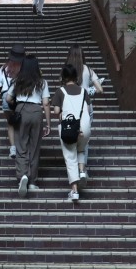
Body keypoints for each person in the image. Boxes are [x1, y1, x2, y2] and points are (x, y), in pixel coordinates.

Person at [6, 56, 50, 197]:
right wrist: (48, 123)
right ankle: (32, 181)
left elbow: (8, 98)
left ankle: (23, 176)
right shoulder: (42, 82)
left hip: (21, 111)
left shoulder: (18, 81)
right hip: (37, 112)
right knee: (35, 146)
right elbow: (46, 103)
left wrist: (15, 104)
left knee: (21, 145)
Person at [51, 64, 92, 202]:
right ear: (76, 76)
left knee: (70, 157)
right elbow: (87, 108)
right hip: (84, 127)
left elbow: (56, 111)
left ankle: (74, 191)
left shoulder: (60, 91)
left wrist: (62, 111)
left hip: (69, 127)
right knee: (80, 149)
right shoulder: (83, 91)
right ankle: (82, 171)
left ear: (63, 76)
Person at [65, 44, 103, 176]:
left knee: (71, 135)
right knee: (85, 138)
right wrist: (89, 90)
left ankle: (74, 169)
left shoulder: (67, 71)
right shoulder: (88, 70)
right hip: (86, 106)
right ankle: (83, 169)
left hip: (71, 107)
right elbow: (100, 89)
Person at [0, 45, 25, 159]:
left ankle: (13, 148)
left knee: (11, 123)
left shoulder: (4, 68)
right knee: (22, 122)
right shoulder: (24, 68)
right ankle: (22, 146)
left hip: (6, 98)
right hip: (20, 98)